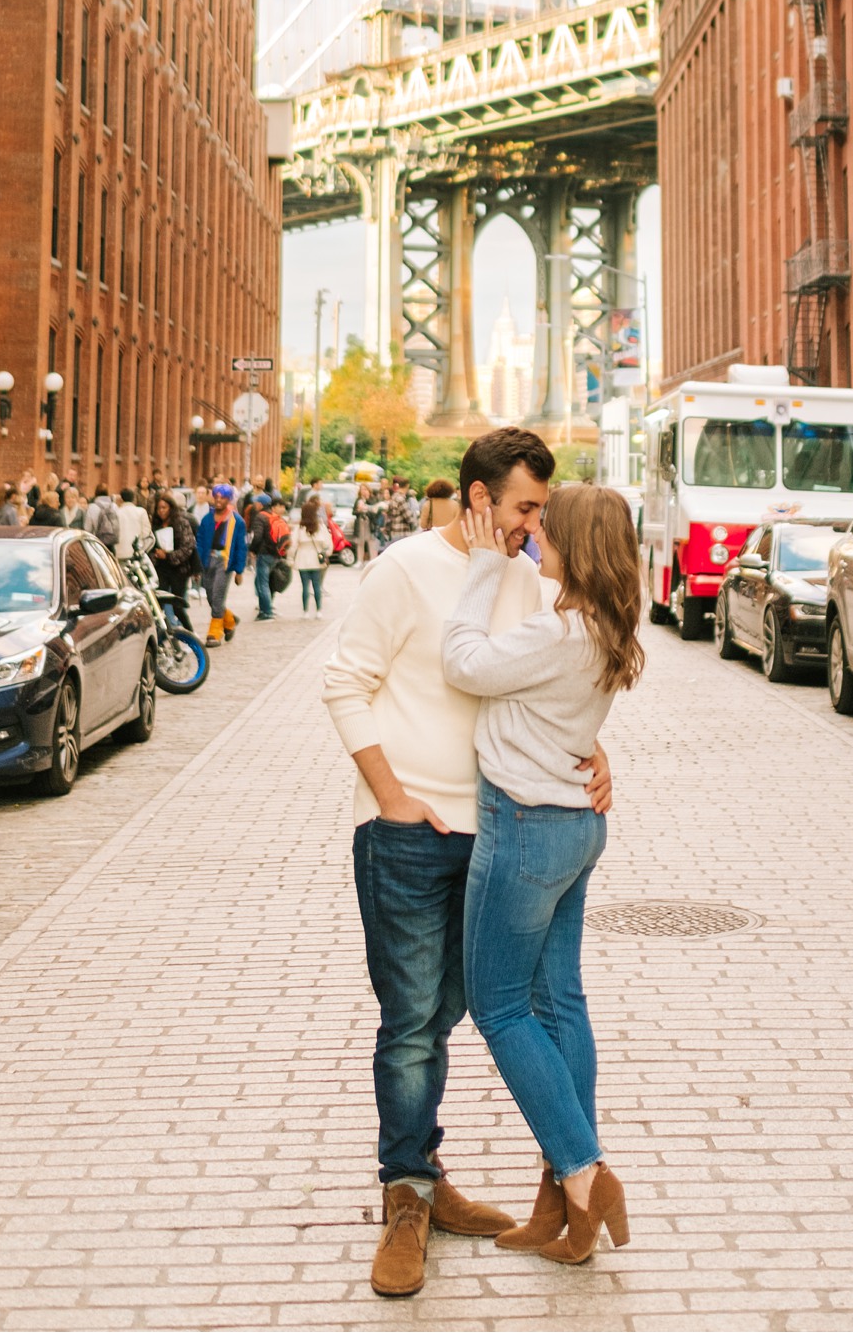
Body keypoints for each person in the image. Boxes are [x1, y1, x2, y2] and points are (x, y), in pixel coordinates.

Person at [322, 426, 611, 1300]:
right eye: (525, 504)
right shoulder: (403, 569)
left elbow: (552, 678)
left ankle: (437, 1175)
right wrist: (391, 794)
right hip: (410, 832)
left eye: (542, 509)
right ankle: (405, 1195)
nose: (535, 520)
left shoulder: (528, 575)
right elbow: (345, 681)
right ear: (481, 497)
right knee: (412, 1018)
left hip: (500, 828)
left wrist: (594, 753)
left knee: (454, 1009)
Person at [442, 481, 642, 1265]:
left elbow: (463, 662)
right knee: (560, 999)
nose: (535, 535)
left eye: (547, 528)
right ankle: (564, 1200)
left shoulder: (557, 630)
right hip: (575, 827)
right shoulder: (605, 623)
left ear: (577, 544)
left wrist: (486, 567)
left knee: (498, 1006)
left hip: (524, 827)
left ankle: (585, 1172)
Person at [196, 483, 246, 645]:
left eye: (222, 497)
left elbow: (241, 546)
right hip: (207, 560)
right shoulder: (206, 519)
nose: (218, 500)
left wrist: (239, 571)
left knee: (217, 596)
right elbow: (200, 542)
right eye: (216, 497)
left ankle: (214, 633)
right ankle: (229, 620)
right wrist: (197, 565)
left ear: (228, 500)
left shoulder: (237, 521)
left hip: (224, 563)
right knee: (211, 596)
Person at [150, 492, 199, 629]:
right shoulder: (155, 525)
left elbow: (188, 546)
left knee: (177, 606)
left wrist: (169, 556)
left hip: (179, 569)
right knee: (158, 604)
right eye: (159, 508)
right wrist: (156, 555)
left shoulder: (181, 523)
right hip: (161, 569)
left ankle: (191, 633)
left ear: (171, 508)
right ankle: (164, 635)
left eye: (164, 507)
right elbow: (150, 546)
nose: (161, 511)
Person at [289, 495, 332, 613]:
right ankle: (319, 611)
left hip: (302, 558)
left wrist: (290, 559)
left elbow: (293, 545)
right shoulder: (320, 527)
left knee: (305, 587)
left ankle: (305, 611)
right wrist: (327, 553)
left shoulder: (300, 528)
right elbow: (328, 543)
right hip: (316, 559)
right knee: (317, 586)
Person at [245, 497, 280, 620]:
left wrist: (252, 550)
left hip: (264, 553)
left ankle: (266, 611)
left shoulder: (260, 517)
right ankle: (265, 608)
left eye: (256, 503)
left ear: (260, 504)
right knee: (265, 582)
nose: (255, 505)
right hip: (275, 553)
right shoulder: (274, 515)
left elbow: (257, 536)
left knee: (262, 583)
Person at [116, 484, 153, 561]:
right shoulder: (141, 511)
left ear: (121, 499)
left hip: (119, 553)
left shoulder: (116, 512)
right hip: (137, 553)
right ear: (133, 499)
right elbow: (146, 533)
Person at [352, 480, 382, 565]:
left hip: (370, 523)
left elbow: (375, 511)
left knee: (371, 541)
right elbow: (354, 512)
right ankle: (359, 560)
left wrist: (366, 508)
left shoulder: (372, 499)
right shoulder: (358, 500)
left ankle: (373, 560)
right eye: (362, 489)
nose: (363, 491)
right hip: (360, 522)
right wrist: (359, 510)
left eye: (365, 489)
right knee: (360, 542)